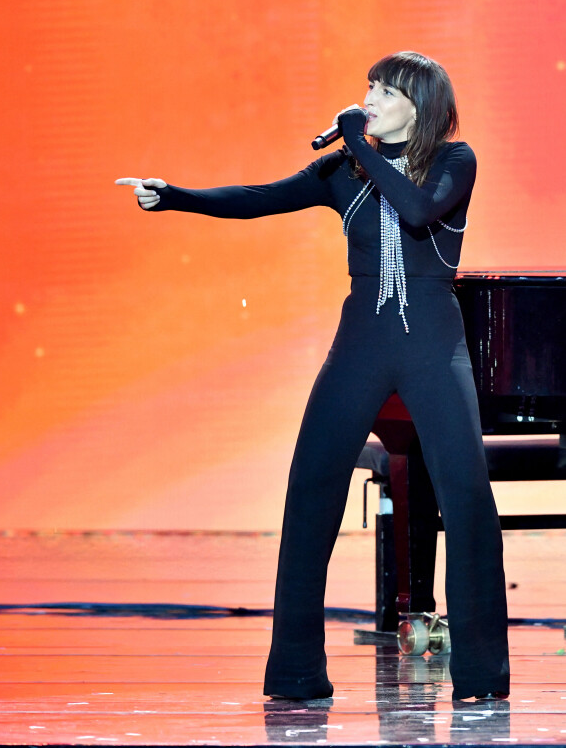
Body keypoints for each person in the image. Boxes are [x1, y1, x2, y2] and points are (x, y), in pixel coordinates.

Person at [116, 50, 510, 703]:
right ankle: (297, 672)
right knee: (311, 490)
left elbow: (416, 212)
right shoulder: (341, 170)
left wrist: (358, 139)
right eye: (368, 91)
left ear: (418, 103)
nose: (368, 100)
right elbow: (259, 198)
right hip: (360, 344)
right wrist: (175, 198)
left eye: (382, 92)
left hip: (434, 348)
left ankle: (481, 674)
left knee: (466, 498)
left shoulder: (453, 161)